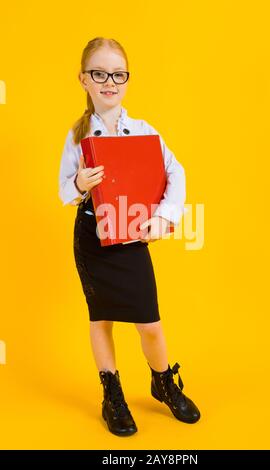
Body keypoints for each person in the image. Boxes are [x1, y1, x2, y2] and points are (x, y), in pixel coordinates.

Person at [58, 36, 201, 437]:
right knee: (100, 317)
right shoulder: (76, 136)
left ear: (127, 79)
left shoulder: (143, 130)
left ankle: (163, 382)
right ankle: (112, 394)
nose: (109, 81)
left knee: (150, 323)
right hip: (93, 236)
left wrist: (163, 216)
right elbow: (63, 191)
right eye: (99, 73)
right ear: (83, 79)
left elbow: (177, 172)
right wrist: (79, 182)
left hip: (132, 231)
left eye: (117, 74)